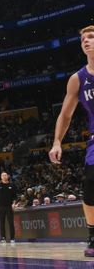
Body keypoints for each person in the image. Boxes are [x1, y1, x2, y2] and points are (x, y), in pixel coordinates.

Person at [49, 24, 94, 257]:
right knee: (90, 189)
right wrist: (57, 142)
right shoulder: (78, 79)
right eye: (83, 39)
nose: (86, 40)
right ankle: (93, 235)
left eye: (92, 37)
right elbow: (65, 115)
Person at [0, 171, 17, 243]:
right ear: (1, 177)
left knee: (11, 222)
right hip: (1, 207)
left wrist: (13, 204)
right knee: (2, 222)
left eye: (5, 175)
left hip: (9, 206)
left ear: (8, 176)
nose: (4, 176)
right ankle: (3, 238)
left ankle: (12, 238)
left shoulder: (12, 185)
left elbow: (14, 197)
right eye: (2, 175)